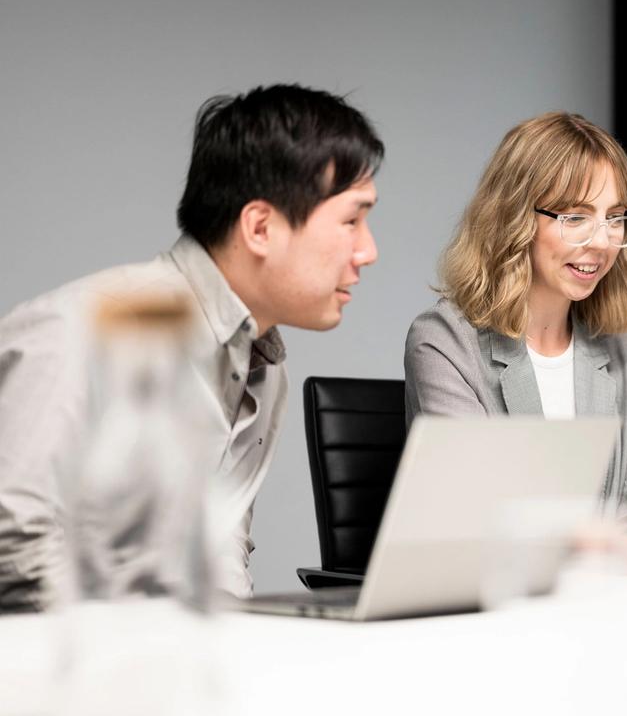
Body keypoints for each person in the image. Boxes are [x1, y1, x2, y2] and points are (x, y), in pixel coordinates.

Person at [0, 84, 383, 610]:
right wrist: (147, 639)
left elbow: (218, 545)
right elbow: (13, 544)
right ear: (260, 227)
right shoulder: (81, 329)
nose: (368, 250)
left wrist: (232, 635)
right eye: (351, 221)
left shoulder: (263, 366)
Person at [404, 112, 627, 543]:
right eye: (575, 217)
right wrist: (610, 552)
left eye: (615, 218)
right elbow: (479, 520)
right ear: (515, 218)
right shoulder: (446, 342)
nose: (602, 242)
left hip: (606, 586)